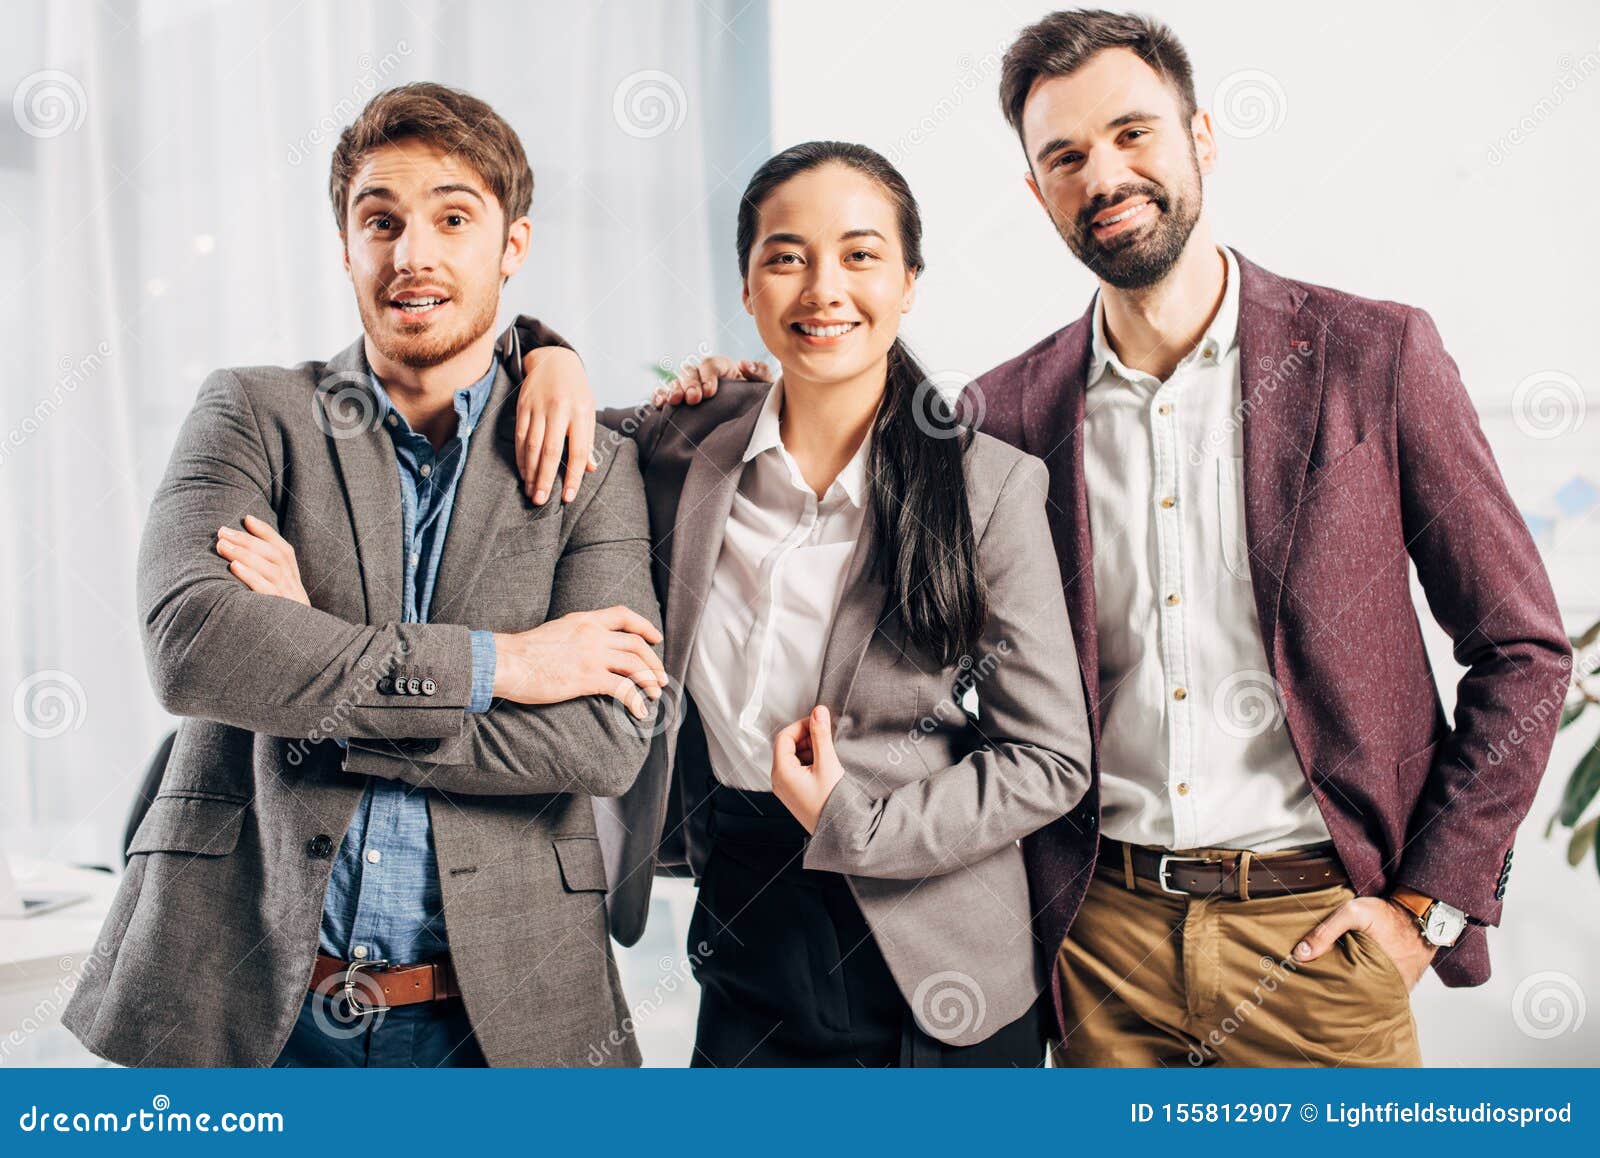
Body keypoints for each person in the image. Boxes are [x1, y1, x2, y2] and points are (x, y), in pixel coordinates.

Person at [539, 12, 1569, 1068]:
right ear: (1037, 192)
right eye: (1065, 156)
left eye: (1133, 135)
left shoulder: (1374, 357)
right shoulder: (1005, 416)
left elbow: (1523, 650)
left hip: (1313, 933)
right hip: (1092, 942)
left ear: (1201, 138)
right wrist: (592, 362)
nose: (1104, 174)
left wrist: (1427, 904)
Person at [63, 82, 665, 1068]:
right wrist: (496, 665)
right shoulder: (251, 413)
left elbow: (603, 741)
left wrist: (315, 671)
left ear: (512, 245)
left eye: (452, 218)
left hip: (498, 1017)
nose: (412, 252)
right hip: (252, 996)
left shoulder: (592, 463)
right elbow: (194, 649)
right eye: (379, 220)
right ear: (345, 246)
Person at [510, 141, 1094, 1066]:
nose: (825, 288)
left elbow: (1049, 758)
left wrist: (860, 823)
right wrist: (552, 356)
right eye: (787, 257)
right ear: (746, 289)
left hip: (938, 954)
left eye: (861, 255)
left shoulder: (988, 486)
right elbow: (518, 423)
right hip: (747, 914)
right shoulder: (678, 446)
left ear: (909, 283)